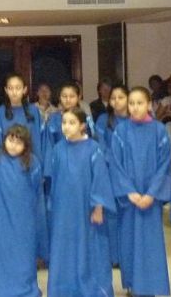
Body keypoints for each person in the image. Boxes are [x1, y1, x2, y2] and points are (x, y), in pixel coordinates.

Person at [108, 87, 171, 297]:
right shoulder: (121, 131)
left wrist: (151, 193)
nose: (135, 108)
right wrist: (129, 192)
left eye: (140, 103)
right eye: (132, 103)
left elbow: (164, 165)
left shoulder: (159, 131)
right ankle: (132, 285)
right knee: (129, 240)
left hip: (150, 199)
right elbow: (115, 164)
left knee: (150, 242)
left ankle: (150, 285)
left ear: (149, 104)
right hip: (129, 199)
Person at [45, 107, 115, 297]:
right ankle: (63, 288)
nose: (66, 127)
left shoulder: (93, 148)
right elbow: (55, 180)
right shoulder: (58, 149)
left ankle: (91, 287)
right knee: (64, 247)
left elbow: (100, 178)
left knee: (87, 245)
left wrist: (98, 206)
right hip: (63, 208)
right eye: (64, 123)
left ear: (82, 125)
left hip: (85, 207)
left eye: (72, 123)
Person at [0, 125, 45, 297]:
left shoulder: (32, 162)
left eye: (19, 142)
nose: (13, 145)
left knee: (23, 257)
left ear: (26, 145)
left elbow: (37, 193)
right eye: (10, 140)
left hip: (24, 221)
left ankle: (25, 290)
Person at [93, 84, 129, 266]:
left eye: (120, 97)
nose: (116, 101)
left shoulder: (134, 120)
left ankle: (127, 255)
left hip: (130, 174)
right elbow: (100, 145)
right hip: (108, 171)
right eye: (113, 98)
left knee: (128, 216)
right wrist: (114, 161)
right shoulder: (103, 119)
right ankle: (114, 257)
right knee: (112, 215)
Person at [42, 82, 94, 170]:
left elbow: (92, 141)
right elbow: (48, 146)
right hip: (59, 163)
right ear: (59, 98)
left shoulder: (86, 119)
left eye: (72, 96)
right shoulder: (53, 119)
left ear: (78, 97)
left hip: (82, 162)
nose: (68, 100)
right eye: (64, 96)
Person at [0, 73, 43, 158]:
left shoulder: (33, 111)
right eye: (10, 88)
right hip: (6, 163)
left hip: (31, 161)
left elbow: (40, 141)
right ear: (6, 90)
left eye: (18, 88)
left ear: (24, 89)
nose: (14, 92)